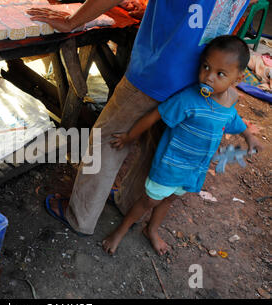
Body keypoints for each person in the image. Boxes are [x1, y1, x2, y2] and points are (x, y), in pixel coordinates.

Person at [28, 1, 252, 237]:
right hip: (199, 81)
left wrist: (71, 22)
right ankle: (128, 205)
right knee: (155, 145)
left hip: (158, 70)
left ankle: (80, 216)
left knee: (108, 140)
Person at [102, 35, 263, 255]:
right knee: (148, 200)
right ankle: (120, 231)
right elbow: (154, 116)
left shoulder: (228, 103)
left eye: (220, 74)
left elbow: (233, 120)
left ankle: (152, 229)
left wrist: (248, 136)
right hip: (170, 164)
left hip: (195, 169)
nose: (208, 77)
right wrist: (129, 136)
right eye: (206, 67)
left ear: (237, 78)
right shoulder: (188, 99)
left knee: (169, 200)